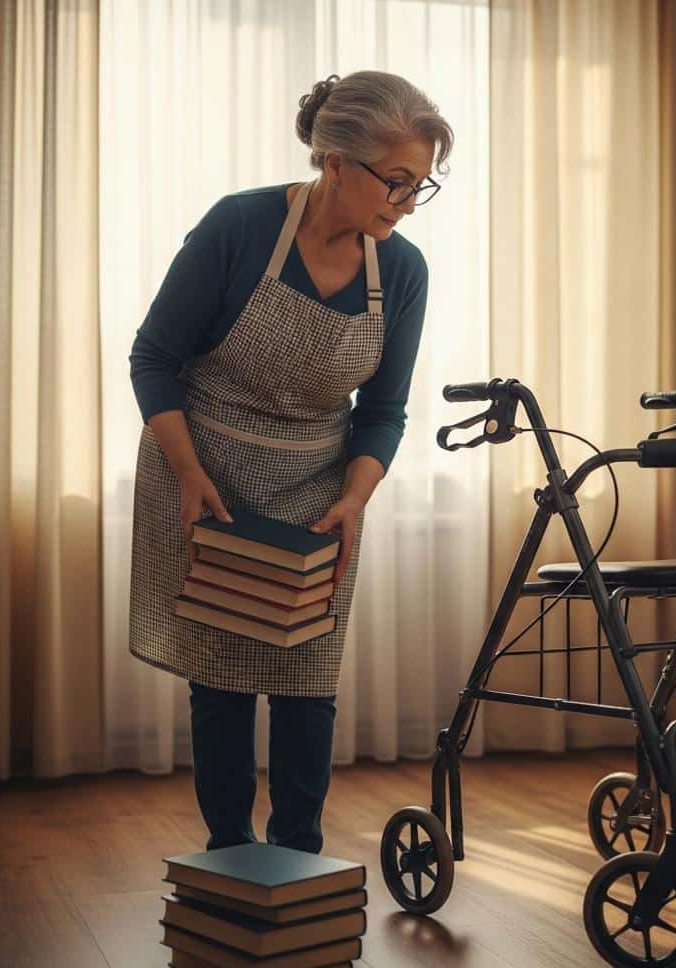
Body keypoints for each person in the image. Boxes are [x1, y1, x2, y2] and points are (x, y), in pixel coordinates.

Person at [127, 71, 453, 853]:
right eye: (397, 182)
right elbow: (154, 358)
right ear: (335, 162)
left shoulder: (400, 271)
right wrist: (187, 472)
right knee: (223, 678)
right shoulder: (238, 228)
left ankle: (300, 855)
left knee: (309, 682)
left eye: (421, 186)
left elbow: (383, 412)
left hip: (322, 487)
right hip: (208, 472)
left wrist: (356, 498)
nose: (406, 204)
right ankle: (230, 854)